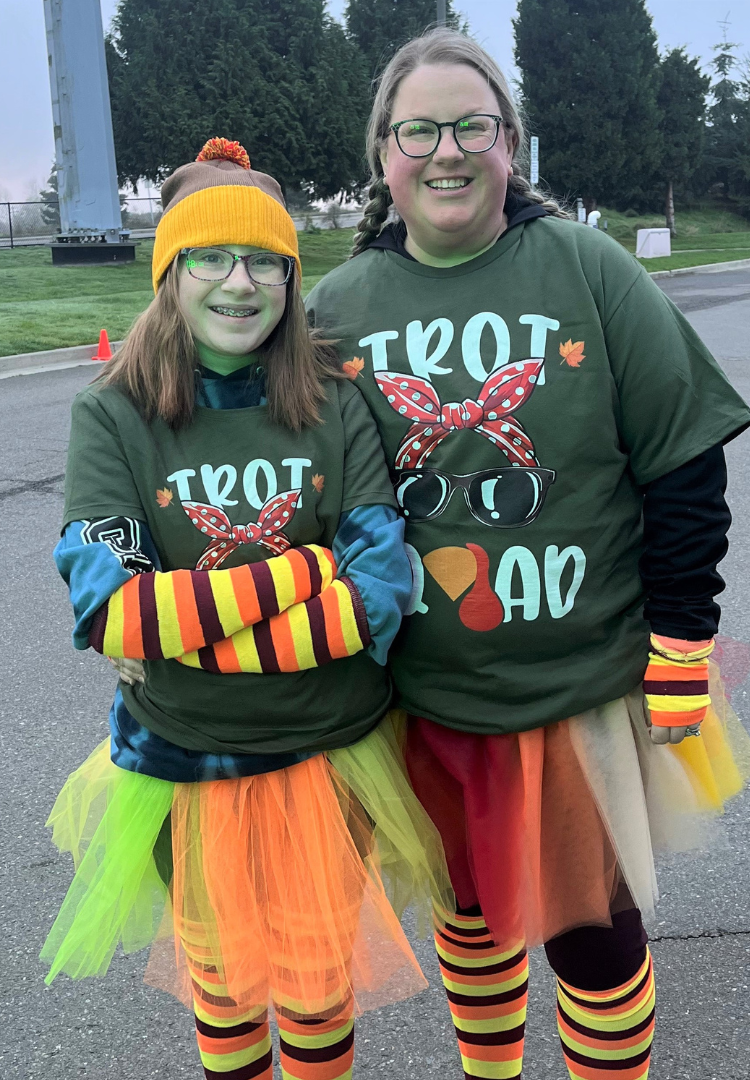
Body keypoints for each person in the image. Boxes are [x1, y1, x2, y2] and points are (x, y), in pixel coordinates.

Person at [306, 29, 750, 1080]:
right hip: (418, 700)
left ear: (511, 144)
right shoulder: (339, 311)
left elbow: (684, 460)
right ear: (385, 154)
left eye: (473, 125)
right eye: (419, 129)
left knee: (593, 941)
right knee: (470, 921)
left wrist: (683, 634)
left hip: (576, 692)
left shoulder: (585, 267)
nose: (447, 151)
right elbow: (289, 483)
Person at [41, 138, 450, 1080]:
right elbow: (112, 612)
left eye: (264, 259)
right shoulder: (112, 413)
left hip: (328, 751)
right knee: (222, 994)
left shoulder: (331, 400)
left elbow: (383, 593)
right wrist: (306, 575)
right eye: (211, 259)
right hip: (183, 759)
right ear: (169, 276)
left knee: (316, 992)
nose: (240, 282)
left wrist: (189, 625)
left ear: (291, 276)